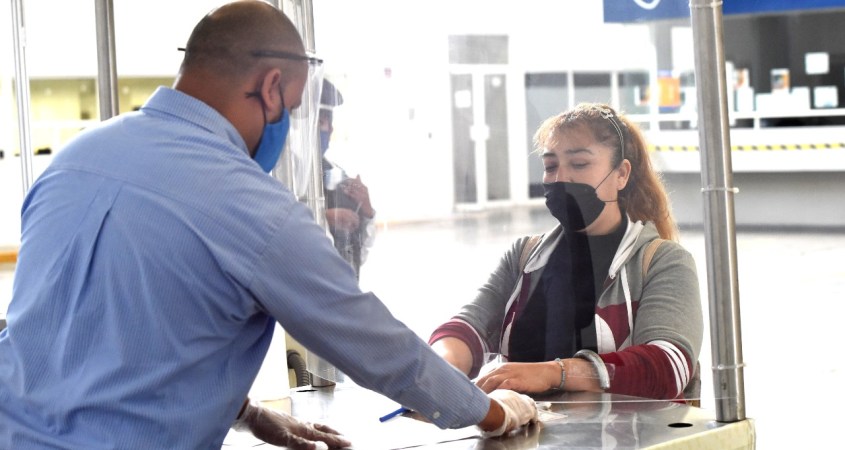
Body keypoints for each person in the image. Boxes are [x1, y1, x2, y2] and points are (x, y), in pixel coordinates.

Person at [0, 2, 537, 449]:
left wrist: (247, 413)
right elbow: (374, 344)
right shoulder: (249, 203)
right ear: (272, 86)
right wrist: (493, 412)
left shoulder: (74, 160)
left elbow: (103, 330)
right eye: (296, 108)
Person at [429, 103, 703, 403]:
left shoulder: (662, 262)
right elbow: (468, 327)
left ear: (621, 174)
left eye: (579, 164)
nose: (561, 178)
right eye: (550, 166)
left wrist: (553, 373)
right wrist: (439, 370)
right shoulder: (524, 257)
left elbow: (667, 367)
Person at [319, 79, 375, 278]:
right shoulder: (281, 177)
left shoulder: (338, 179)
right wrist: (324, 218)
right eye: (312, 123)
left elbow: (357, 255)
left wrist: (367, 213)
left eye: (322, 123)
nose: (316, 132)